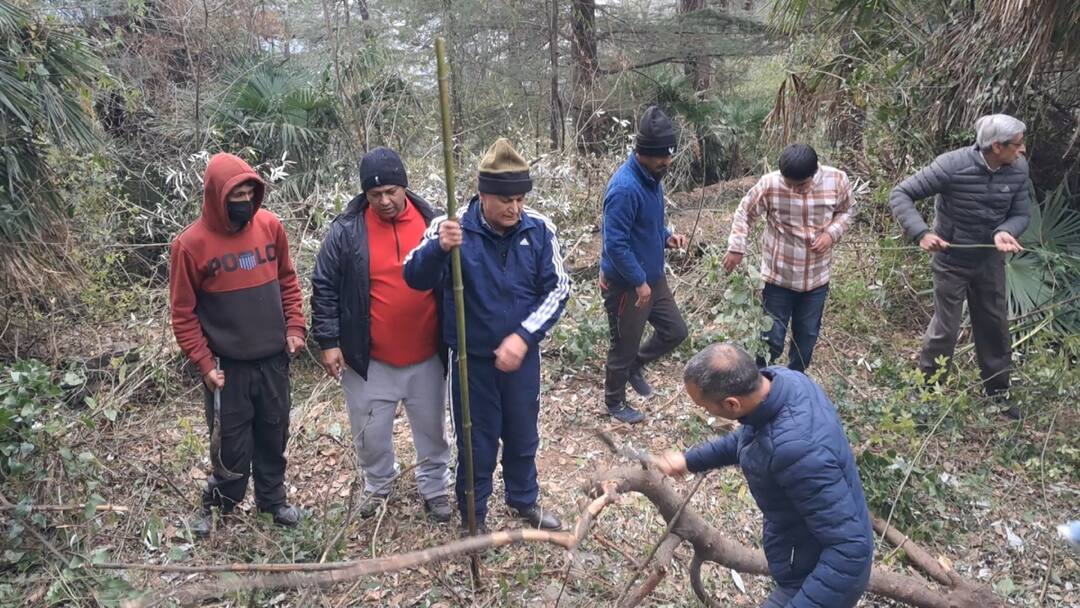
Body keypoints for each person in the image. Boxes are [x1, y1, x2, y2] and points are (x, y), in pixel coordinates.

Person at [404, 138, 571, 532]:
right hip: (470, 360)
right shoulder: (452, 228)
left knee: (522, 432)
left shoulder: (539, 229)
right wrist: (440, 249)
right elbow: (413, 275)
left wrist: (524, 336)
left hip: (522, 358)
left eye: (520, 199)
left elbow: (558, 289)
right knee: (476, 441)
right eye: (505, 200)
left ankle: (523, 499)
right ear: (483, 195)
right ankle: (474, 515)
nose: (514, 208)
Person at [654, 343, 874, 607]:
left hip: (821, 574)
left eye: (704, 407)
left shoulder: (798, 452)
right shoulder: (783, 383)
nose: (705, 412)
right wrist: (690, 460)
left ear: (732, 404)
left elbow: (850, 551)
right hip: (801, 552)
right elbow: (754, 440)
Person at [311, 147, 452, 523]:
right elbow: (324, 285)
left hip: (427, 352)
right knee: (370, 432)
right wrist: (328, 341)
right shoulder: (346, 230)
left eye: (391, 191)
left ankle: (436, 486)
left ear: (404, 186)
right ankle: (377, 485)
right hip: (369, 356)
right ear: (364, 195)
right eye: (375, 195)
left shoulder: (433, 221)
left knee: (433, 428)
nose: (385, 201)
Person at [169, 152, 305, 538]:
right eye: (236, 194)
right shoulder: (190, 245)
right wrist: (204, 362)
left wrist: (295, 326)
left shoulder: (270, 226)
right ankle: (220, 502)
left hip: (274, 361)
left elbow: (288, 282)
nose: (244, 201)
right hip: (227, 369)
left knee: (273, 433)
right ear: (216, 196)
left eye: (250, 192)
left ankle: (273, 501)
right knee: (230, 446)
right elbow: (183, 313)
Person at [889, 114, 1029, 417]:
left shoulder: (1018, 170)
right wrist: (921, 233)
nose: (1022, 150)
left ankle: (998, 392)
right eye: (1017, 145)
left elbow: (1021, 213)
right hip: (951, 261)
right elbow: (901, 194)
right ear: (996, 146)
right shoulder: (951, 165)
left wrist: (1005, 231)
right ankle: (927, 391)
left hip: (989, 262)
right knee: (946, 329)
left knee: (994, 325)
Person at [723, 144, 855, 372]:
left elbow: (847, 211)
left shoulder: (837, 180)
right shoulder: (771, 184)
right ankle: (762, 380)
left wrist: (830, 234)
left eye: (799, 185)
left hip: (816, 278)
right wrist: (736, 247)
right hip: (778, 277)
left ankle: (796, 382)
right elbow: (745, 212)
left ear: (814, 173)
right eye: (788, 183)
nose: (792, 188)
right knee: (771, 337)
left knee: (806, 337)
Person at [600, 105, 689, 424]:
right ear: (643, 152)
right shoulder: (624, 188)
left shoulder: (654, 178)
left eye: (670, 154)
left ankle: (638, 365)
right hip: (630, 284)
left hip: (652, 278)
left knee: (676, 331)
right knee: (623, 346)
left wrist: (667, 236)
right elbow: (615, 243)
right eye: (662, 156)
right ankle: (614, 402)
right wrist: (638, 282)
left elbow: (647, 225)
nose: (668, 161)